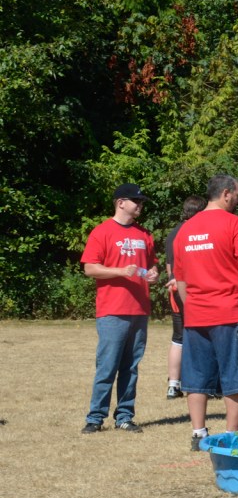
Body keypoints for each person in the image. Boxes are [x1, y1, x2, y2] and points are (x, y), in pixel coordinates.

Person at [173, 174, 238, 451]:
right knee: (236, 375)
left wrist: (194, 308)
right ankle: (231, 436)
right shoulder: (235, 223)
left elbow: (182, 281)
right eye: (237, 194)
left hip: (196, 314)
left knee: (196, 377)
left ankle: (198, 434)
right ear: (225, 194)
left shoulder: (185, 230)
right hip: (232, 311)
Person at [80, 183, 159, 434]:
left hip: (139, 309)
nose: (140, 205)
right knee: (107, 366)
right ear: (121, 202)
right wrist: (119, 271)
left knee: (131, 367)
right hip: (112, 310)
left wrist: (154, 273)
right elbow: (90, 268)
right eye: (136, 201)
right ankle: (95, 418)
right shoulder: (101, 232)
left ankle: (124, 416)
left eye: (141, 201)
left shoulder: (144, 234)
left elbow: (152, 265)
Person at [164, 195, 207, 398]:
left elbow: (169, 266)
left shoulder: (172, 234)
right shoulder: (197, 231)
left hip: (175, 289)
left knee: (178, 337)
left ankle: (173, 385)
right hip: (195, 289)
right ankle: (204, 383)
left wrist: (173, 279)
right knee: (203, 336)